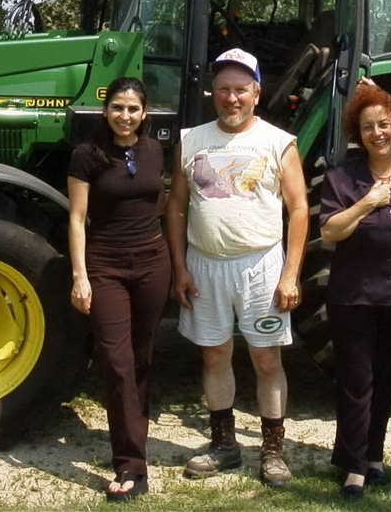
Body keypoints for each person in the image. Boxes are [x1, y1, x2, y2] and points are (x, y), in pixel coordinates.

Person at [166, 47, 308, 487]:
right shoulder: (191, 140)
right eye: (224, 90)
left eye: (241, 90)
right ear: (214, 93)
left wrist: (289, 274)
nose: (232, 98)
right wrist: (180, 269)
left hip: (261, 268)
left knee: (267, 359)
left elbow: (299, 208)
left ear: (256, 93)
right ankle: (224, 445)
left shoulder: (278, 142)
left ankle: (272, 451)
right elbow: (175, 209)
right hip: (204, 267)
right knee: (214, 353)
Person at [318, 85, 391, 499]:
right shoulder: (343, 177)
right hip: (354, 298)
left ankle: (374, 455)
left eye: (384, 124)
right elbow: (330, 231)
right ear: (357, 134)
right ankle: (353, 466)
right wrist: (367, 203)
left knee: (387, 382)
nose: (377, 133)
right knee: (355, 383)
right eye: (368, 127)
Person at [67, 77, 171, 502]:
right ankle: (129, 464)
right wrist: (80, 275)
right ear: (104, 111)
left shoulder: (154, 150)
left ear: (144, 113)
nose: (124, 116)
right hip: (106, 266)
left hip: (152, 263)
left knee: (142, 358)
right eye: (117, 108)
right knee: (116, 360)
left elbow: (160, 204)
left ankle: (136, 454)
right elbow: (76, 218)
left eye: (132, 109)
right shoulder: (86, 156)